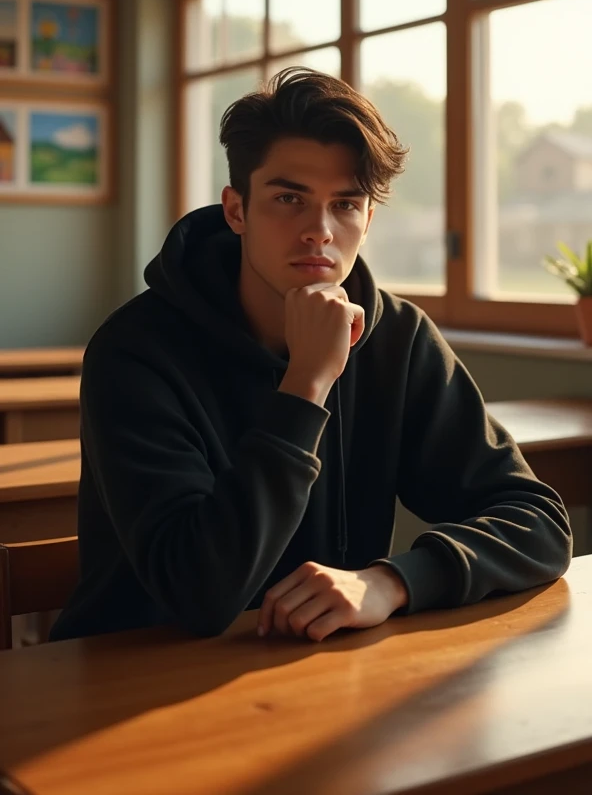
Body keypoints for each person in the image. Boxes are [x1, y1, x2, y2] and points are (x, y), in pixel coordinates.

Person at [50, 68, 572, 643]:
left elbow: (539, 525)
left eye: (345, 204)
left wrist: (391, 582)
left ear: (367, 219)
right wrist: (307, 383)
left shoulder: (396, 337)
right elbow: (199, 595)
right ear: (236, 210)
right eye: (288, 198)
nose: (318, 230)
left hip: (316, 667)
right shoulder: (134, 351)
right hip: (129, 674)